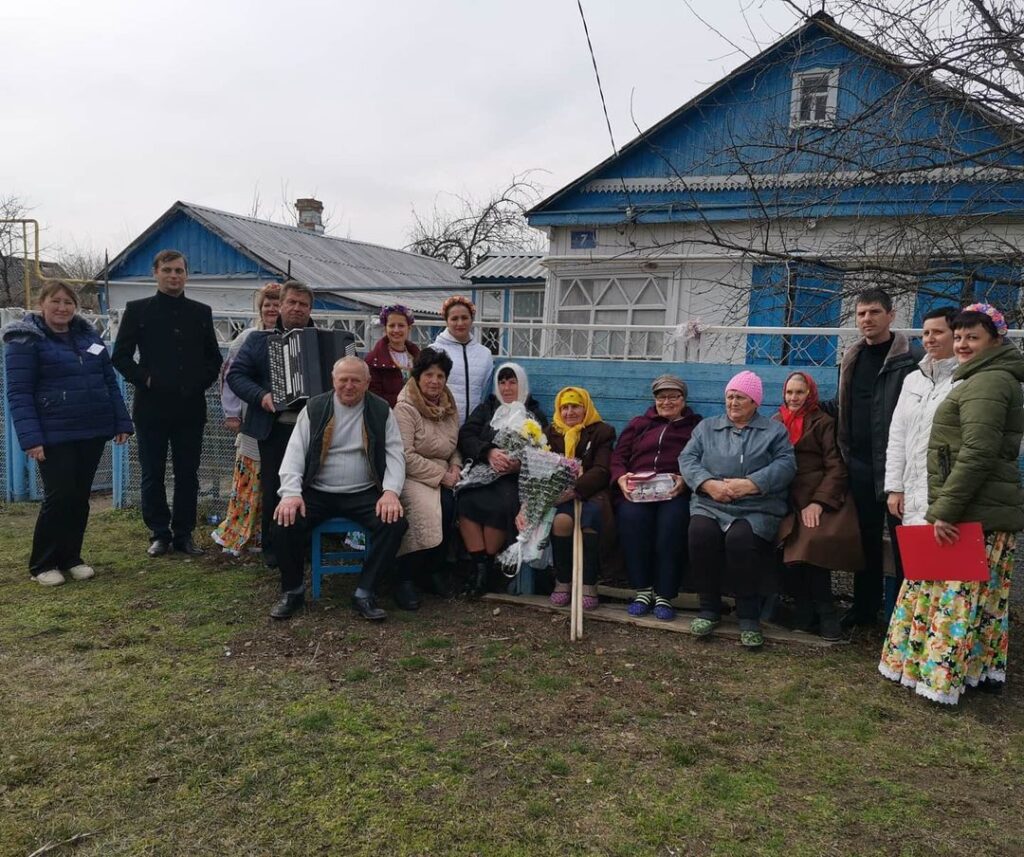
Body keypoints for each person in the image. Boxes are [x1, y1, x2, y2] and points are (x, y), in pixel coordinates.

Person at [879, 304, 1024, 704]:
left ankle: (940, 679)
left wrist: (946, 510)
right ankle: (973, 672)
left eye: (972, 337)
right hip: (970, 504)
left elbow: (977, 453)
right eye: (958, 336)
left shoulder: (988, 382)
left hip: (971, 510)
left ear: (996, 339)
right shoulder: (979, 377)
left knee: (953, 600)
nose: (962, 344)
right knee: (969, 599)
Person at [3, 281, 133, 585]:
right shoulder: (25, 340)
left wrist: (121, 421)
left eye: (68, 302)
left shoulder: (89, 337)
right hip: (53, 433)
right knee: (59, 496)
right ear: (42, 304)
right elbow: (19, 393)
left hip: (91, 429)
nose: (62, 308)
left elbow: (109, 382)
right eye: (56, 301)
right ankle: (43, 564)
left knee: (79, 497)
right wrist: (31, 438)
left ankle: (71, 557)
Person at [269, 357, 407, 621]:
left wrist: (391, 491)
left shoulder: (380, 410)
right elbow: (295, 452)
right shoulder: (315, 408)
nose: (349, 386)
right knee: (284, 521)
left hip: (363, 492)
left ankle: (365, 591)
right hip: (318, 490)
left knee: (394, 523)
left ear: (367, 382)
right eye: (343, 380)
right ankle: (292, 591)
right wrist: (291, 493)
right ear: (333, 381)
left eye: (356, 380)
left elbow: (395, 454)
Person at [111, 250, 222, 557]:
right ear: (155, 273)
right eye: (168, 270)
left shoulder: (200, 312)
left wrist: (198, 383)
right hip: (151, 407)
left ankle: (184, 534)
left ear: (186, 275)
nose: (174, 276)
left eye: (179, 271)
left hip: (190, 407)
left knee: (188, 474)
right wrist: (146, 379)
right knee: (152, 473)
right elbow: (120, 356)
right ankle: (159, 533)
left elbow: (214, 359)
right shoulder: (138, 310)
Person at [823, 288, 922, 630]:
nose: (867, 319)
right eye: (862, 313)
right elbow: (844, 405)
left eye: (875, 312)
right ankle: (864, 609)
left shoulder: (911, 360)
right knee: (865, 540)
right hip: (860, 465)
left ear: (891, 315)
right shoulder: (851, 357)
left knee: (904, 542)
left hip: (899, 469)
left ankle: (904, 618)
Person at [680, 370, 796, 648]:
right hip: (711, 502)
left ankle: (748, 615)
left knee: (741, 541)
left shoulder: (774, 431)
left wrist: (752, 484)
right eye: (730, 397)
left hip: (757, 506)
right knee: (700, 534)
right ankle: (709, 608)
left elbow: (786, 464)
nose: (733, 403)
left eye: (740, 398)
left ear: (755, 402)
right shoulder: (707, 428)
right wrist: (707, 484)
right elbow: (687, 458)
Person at [226, 281, 316, 568]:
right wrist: (261, 396)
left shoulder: (325, 340)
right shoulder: (258, 340)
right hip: (274, 427)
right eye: (292, 302)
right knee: (274, 486)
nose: (297, 308)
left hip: (313, 428)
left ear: (310, 309)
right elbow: (236, 376)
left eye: (303, 304)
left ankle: (305, 544)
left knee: (310, 486)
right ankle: (273, 547)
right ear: (282, 305)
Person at [774, 371, 863, 641]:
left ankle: (826, 612)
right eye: (789, 392)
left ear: (810, 394)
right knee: (781, 543)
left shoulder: (823, 422)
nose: (793, 398)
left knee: (810, 544)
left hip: (818, 495)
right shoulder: (776, 422)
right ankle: (804, 608)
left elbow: (836, 466)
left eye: (799, 392)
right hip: (785, 496)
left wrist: (818, 502)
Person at [882, 306, 959, 611]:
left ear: (956, 335)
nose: (930, 339)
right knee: (916, 576)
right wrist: (895, 487)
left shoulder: (965, 380)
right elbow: (898, 435)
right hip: (910, 494)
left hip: (943, 493)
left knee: (948, 579)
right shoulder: (913, 380)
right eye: (926, 333)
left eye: (938, 332)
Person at [611, 374, 702, 621]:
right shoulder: (639, 424)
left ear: (684, 400)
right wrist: (621, 478)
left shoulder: (696, 427)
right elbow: (619, 456)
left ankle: (664, 594)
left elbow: (703, 459)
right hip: (638, 489)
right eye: (661, 397)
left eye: (673, 397)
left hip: (674, 490)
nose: (667, 402)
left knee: (672, 525)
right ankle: (642, 590)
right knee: (631, 518)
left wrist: (685, 480)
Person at [457, 363, 547, 595]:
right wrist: (488, 452)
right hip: (483, 473)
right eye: (502, 382)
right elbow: (466, 435)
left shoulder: (533, 414)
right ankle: (480, 566)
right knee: (466, 500)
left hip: (514, 479)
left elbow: (543, 451)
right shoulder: (487, 408)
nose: (506, 388)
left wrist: (519, 464)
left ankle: (486, 569)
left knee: (501, 505)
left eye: (512, 382)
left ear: (521, 384)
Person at [212, 283, 281, 555]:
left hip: (281, 424)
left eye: (277, 304)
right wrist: (231, 413)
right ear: (260, 309)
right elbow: (230, 376)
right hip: (252, 416)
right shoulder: (248, 337)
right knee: (251, 475)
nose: (272, 309)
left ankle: (267, 534)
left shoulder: (292, 337)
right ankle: (240, 532)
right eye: (267, 305)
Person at [393, 348, 462, 609]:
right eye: (429, 375)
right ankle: (405, 577)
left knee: (452, 506)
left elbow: (453, 445)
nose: (435, 381)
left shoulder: (448, 406)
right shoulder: (405, 408)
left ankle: (433, 570)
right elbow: (405, 454)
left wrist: (455, 466)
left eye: (440, 376)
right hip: (412, 474)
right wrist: (441, 476)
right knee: (425, 511)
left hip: (444, 471)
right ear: (418, 377)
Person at [540, 387, 616, 610]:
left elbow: (602, 469)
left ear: (586, 408)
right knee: (561, 521)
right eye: (565, 407)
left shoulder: (602, 431)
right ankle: (563, 580)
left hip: (592, 492)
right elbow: (543, 465)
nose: (569, 412)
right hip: (560, 494)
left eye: (575, 406)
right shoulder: (550, 432)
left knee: (589, 520)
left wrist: (576, 487)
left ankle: (588, 583)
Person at [431, 295, 493, 426]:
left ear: (472, 319)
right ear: (446, 321)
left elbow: (485, 392)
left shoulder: (485, 354)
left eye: (464, 318)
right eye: (454, 318)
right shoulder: (434, 351)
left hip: (474, 428)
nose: (460, 323)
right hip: (442, 425)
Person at [366, 304, 421, 408]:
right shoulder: (374, 360)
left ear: (409, 328)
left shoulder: (417, 356)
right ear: (385, 329)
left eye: (401, 325)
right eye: (391, 326)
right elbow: (374, 397)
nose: (396, 330)